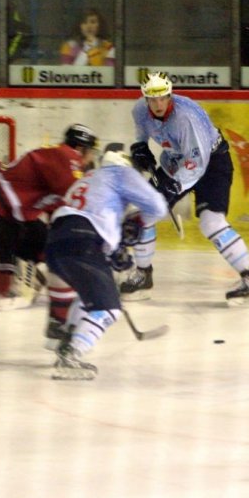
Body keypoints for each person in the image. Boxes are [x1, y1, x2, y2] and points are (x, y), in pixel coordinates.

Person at [0, 124, 99, 365]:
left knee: (61, 257)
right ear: (81, 148)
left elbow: (63, 215)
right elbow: (76, 201)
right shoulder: (66, 157)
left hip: (17, 218)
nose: (91, 159)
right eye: (90, 152)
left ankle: (57, 326)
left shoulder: (62, 161)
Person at [121, 72, 249, 306]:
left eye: (163, 98)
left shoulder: (187, 116)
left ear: (170, 95)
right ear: (145, 98)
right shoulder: (139, 110)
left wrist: (174, 186)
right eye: (153, 99)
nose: (158, 104)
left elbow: (197, 164)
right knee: (145, 211)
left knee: (211, 223)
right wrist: (140, 148)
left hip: (212, 162)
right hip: (176, 160)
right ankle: (143, 275)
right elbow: (142, 134)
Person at [45, 150, 169, 379]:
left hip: (55, 242)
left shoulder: (88, 179)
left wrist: (114, 252)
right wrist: (139, 221)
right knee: (108, 308)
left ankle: (66, 342)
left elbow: (90, 217)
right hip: (83, 241)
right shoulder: (120, 172)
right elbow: (158, 207)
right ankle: (72, 355)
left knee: (87, 298)